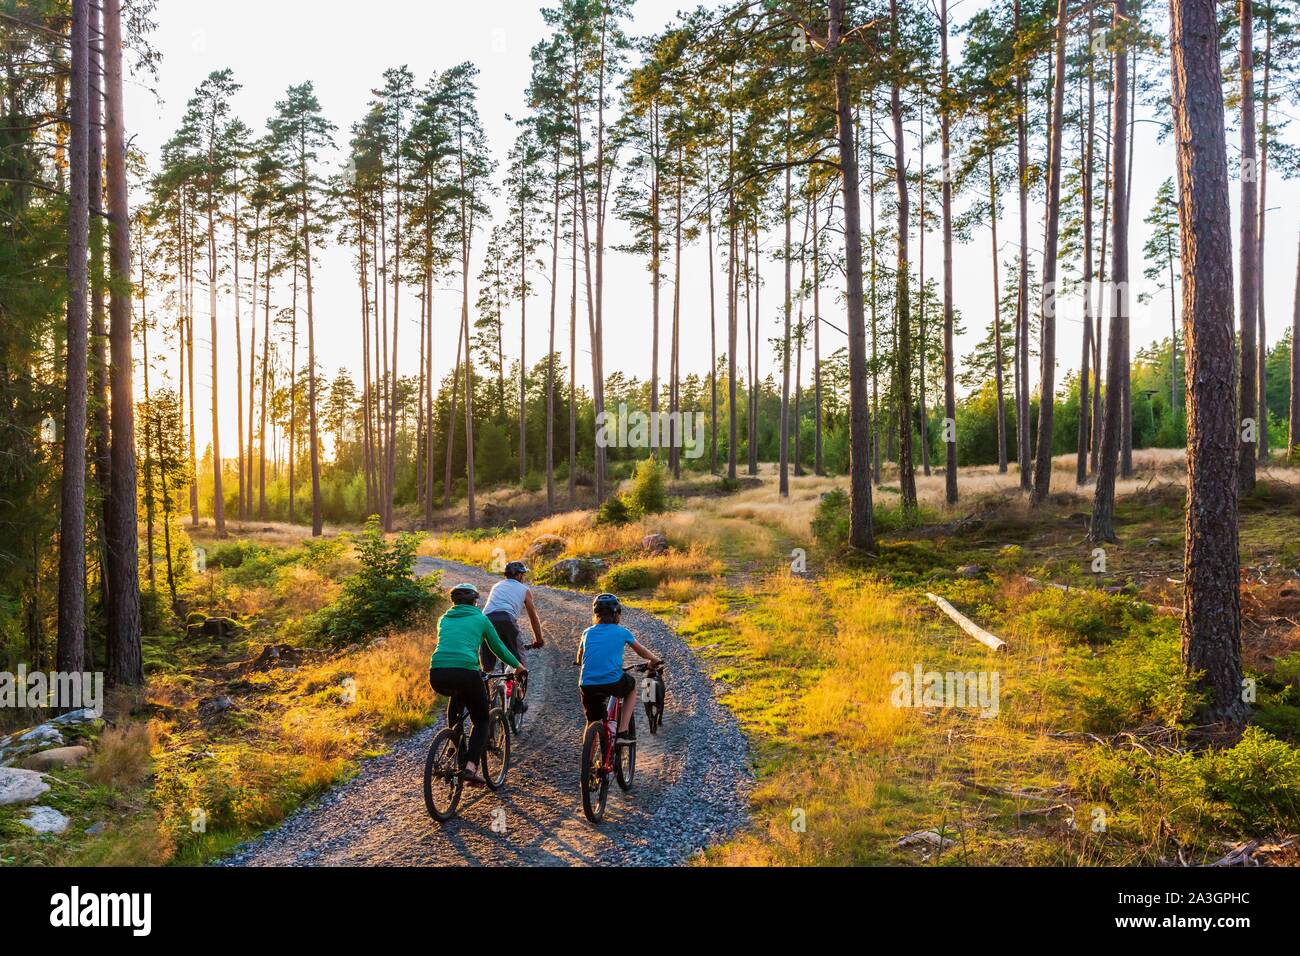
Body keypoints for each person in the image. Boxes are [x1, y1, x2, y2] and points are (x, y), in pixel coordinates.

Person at [428, 582, 527, 788]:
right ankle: (470, 767)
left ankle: (456, 745)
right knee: (481, 720)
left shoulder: (443, 619)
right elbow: (497, 647)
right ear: (475, 602)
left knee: (457, 698)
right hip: (466, 671)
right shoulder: (481, 619)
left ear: (453, 602)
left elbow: (454, 644)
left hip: (437, 672)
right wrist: (517, 667)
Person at [576, 593, 663, 740]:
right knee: (631, 687)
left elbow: (579, 658)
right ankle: (622, 731)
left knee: (591, 722)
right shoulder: (622, 632)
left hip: (587, 684)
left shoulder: (587, 632)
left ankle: (588, 760)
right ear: (617, 613)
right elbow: (641, 650)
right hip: (612, 681)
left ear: (596, 614)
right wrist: (654, 660)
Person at [479, 562, 545, 714]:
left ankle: (486, 700)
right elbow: (533, 617)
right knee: (519, 664)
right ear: (520, 575)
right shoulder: (524, 589)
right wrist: (539, 640)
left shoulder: (497, 586)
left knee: (487, 668)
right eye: (523, 574)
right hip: (507, 620)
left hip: (486, 621)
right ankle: (518, 703)